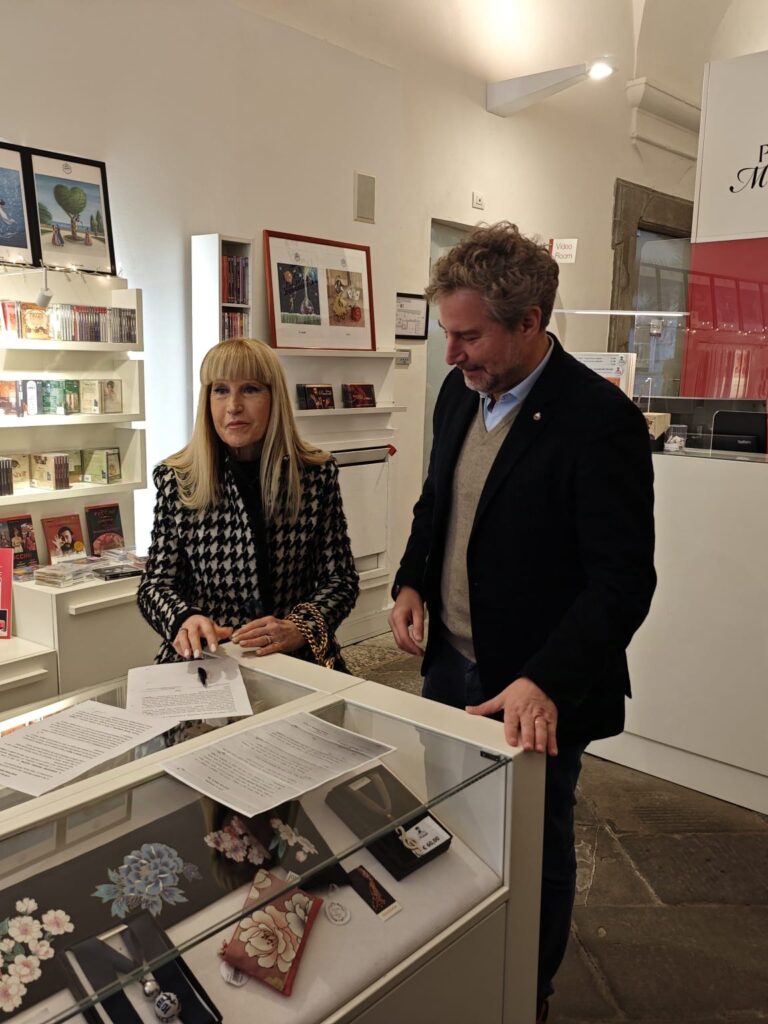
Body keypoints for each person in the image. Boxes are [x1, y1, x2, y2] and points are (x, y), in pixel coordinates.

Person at [388, 223, 656, 1023]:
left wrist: (545, 679)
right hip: (451, 661)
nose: (451, 354)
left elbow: (622, 583)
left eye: (468, 336)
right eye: (447, 333)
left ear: (530, 321)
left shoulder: (598, 421)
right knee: (450, 817)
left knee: (534, 839)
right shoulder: (458, 394)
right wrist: (411, 580)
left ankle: (522, 991)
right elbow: (436, 501)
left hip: (534, 685)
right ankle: (463, 954)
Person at [138, 337, 359, 668]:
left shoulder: (314, 474)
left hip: (296, 656)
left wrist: (299, 627)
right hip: (209, 657)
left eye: (250, 389)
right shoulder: (178, 479)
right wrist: (184, 619)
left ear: (274, 398)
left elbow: (341, 580)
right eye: (220, 390)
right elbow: (156, 584)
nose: (233, 406)